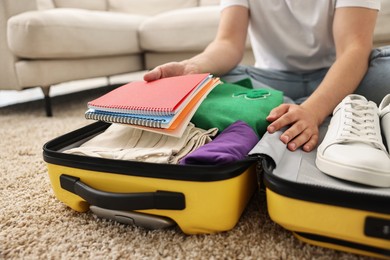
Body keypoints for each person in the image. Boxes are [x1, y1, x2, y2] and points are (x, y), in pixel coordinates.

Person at [144, 1, 390, 152]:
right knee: (208, 83)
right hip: (270, 79)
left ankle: (288, 109)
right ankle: (324, 111)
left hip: (341, 74)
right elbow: (228, 43)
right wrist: (191, 68)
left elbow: (353, 49)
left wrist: (313, 111)